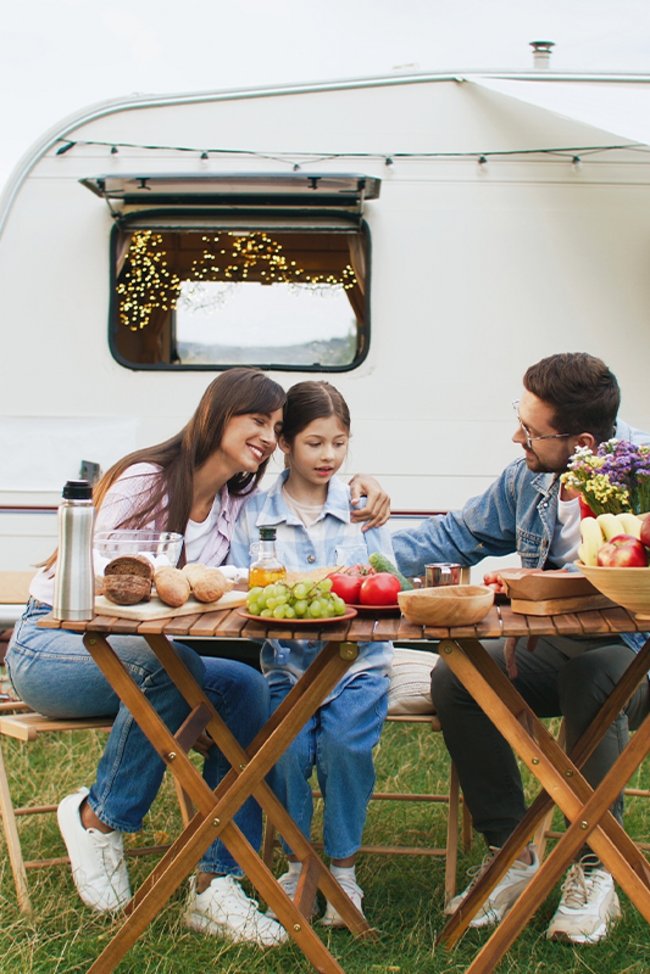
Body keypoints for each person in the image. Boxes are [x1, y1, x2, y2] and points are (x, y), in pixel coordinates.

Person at [6, 367, 389, 948]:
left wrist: (362, 483)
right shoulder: (146, 478)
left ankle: (217, 884)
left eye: (276, 427)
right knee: (175, 669)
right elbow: (98, 580)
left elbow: (269, 541)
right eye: (257, 420)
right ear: (218, 415)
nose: (268, 437)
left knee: (247, 687)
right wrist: (173, 579)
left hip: (149, 658)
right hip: (55, 646)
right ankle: (98, 819)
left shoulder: (236, 503)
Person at [392, 352, 650, 945]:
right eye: (520, 419)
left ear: (582, 443)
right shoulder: (527, 478)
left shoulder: (642, 474)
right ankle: (511, 853)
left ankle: (595, 866)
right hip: (555, 646)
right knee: (459, 678)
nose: (518, 438)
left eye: (531, 431)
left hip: (635, 654)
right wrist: (358, 555)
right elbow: (455, 534)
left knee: (592, 676)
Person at [227, 380, 396, 927]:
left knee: (345, 747)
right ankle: (299, 864)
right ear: (284, 443)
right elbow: (241, 591)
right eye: (315, 443)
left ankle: (343, 871)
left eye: (339, 443)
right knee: (288, 753)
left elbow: (388, 582)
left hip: (356, 668)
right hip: (286, 669)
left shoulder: (360, 507)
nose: (329, 456)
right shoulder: (255, 512)